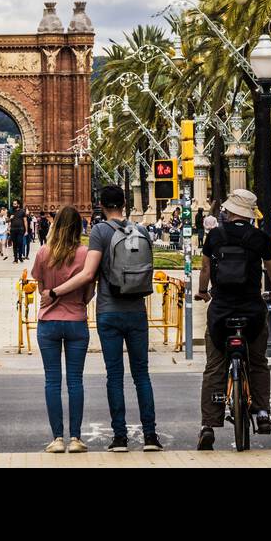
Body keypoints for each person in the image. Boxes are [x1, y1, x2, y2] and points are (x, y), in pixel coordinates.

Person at [49, 185, 161, 452]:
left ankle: (120, 438)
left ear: (101, 205)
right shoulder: (141, 230)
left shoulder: (100, 231)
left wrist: (56, 292)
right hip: (136, 311)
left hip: (109, 311)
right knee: (142, 375)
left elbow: (88, 274)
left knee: (115, 375)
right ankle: (150, 437)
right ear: (124, 204)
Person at [194, 188, 271, 451]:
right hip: (252, 312)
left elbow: (205, 268)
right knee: (257, 362)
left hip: (221, 311)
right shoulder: (259, 238)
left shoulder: (215, 236)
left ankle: (208, 425)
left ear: (231, 211)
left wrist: (203, 292)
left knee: (214, 366)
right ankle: (262, 413)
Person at [32, 205, 92, 453]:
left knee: (52, 381)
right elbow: (89, 292)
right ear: (79, 227)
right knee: (75, 381)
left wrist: (53, 295)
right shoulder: (85, 253)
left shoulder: (44, 253)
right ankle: (76, 439)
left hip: (48, 323)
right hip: (77, 320)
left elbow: (41, 289)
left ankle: (57, 439)